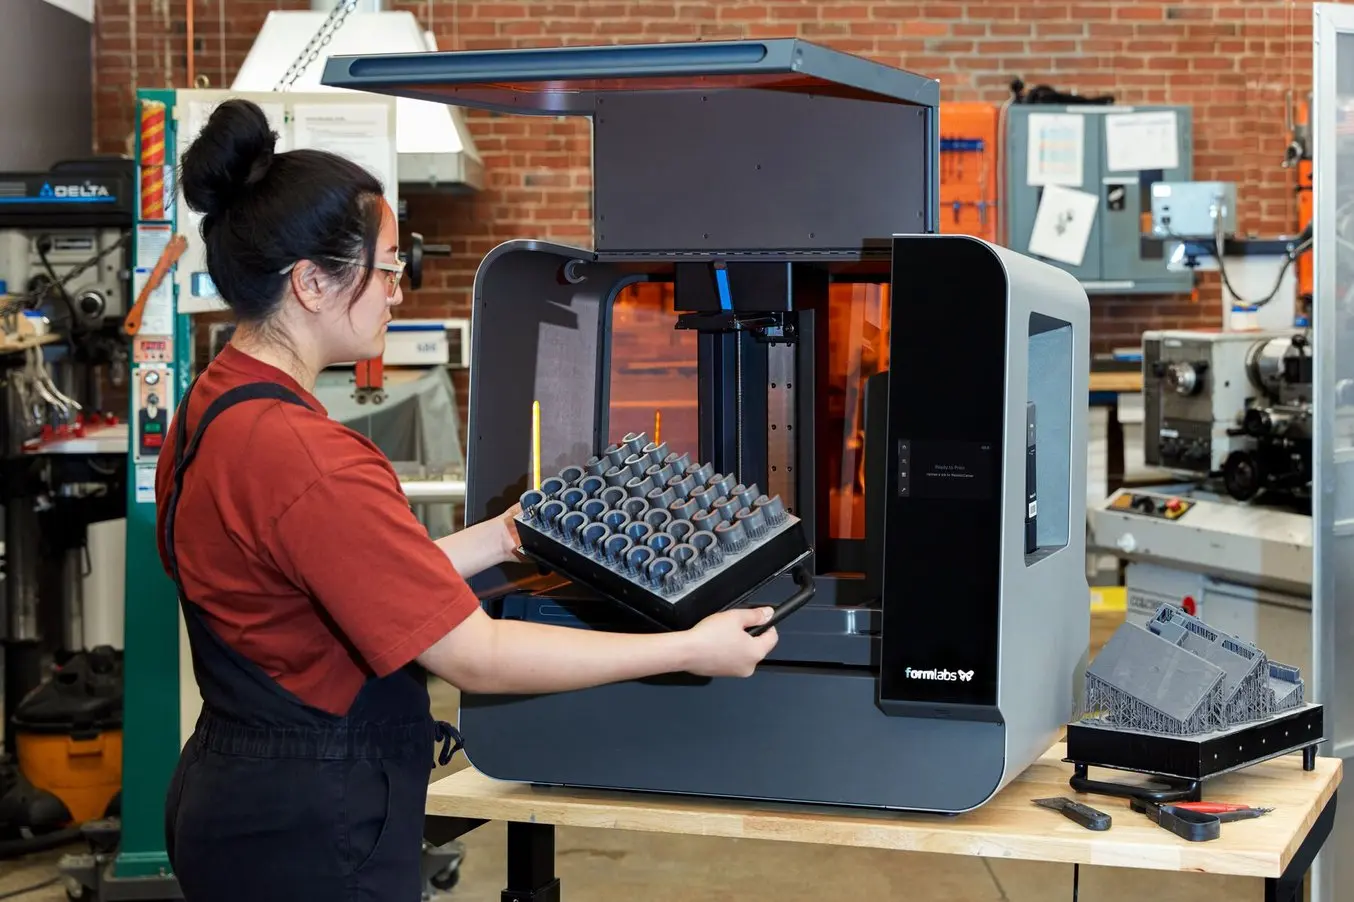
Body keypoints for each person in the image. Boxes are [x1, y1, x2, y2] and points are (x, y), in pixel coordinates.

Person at [157, 98, 779, 902]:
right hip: (312, 830)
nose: (398, 293)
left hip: (234, 790)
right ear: (311, 282)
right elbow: (472, 656)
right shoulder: (310, 457)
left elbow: (343, 578)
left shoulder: (216, 405)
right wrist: (688, 649)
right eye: (386, 270)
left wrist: (501, 536)